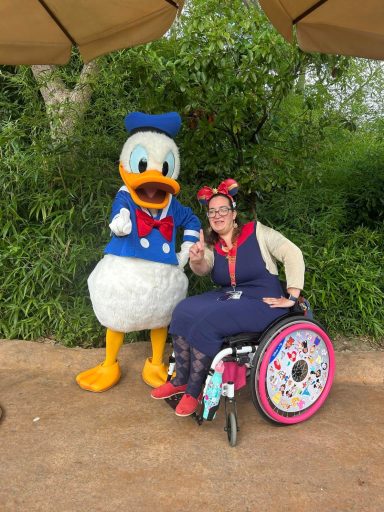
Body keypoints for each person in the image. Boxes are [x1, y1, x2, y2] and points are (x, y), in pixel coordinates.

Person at [151, 178, 305, 417]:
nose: (217, 215)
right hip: (229, 297)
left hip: (262, 301)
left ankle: (194, 390)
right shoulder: (212, 245)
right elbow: (203, 269)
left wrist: (292, 296)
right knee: (183, 309)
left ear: (234, 214)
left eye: (223, 209)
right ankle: (180, 379)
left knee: (211, 319)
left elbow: (292, 253)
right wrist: (198, 258)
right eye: (212, 211)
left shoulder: (258, 232)